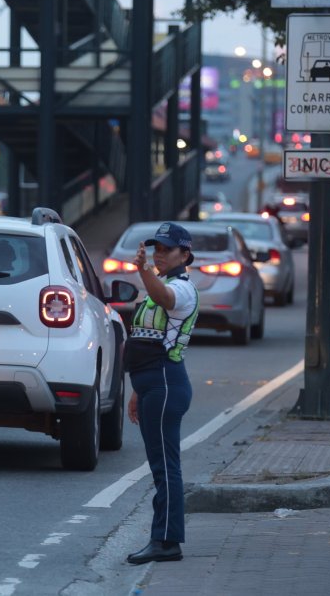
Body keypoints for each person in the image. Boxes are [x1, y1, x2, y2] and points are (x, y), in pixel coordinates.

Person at [124, 222, 200, 565]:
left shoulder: (181, 289)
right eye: (156, 248)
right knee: (161, 466)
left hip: (166, 382)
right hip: (154, 385)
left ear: (184, 255)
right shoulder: (161, 282)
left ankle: (167, 542)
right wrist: (139, 391)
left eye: (166, 250)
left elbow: (162, 299)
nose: (159, 254)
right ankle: (164, 539)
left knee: (165, 467)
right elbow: (148, 336)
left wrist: (142, 270)